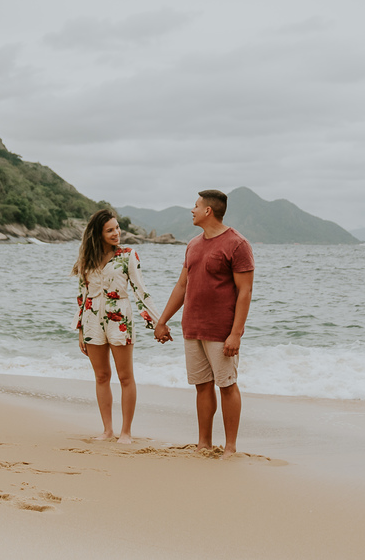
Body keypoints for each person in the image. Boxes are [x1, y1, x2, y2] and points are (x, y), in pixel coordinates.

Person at [154, 190, 253, 458]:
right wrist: (162, 321)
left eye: (195, 206)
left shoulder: (237, 244)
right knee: (201, 385)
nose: (192, 210)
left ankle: (230, 447)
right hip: (192, 327)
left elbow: (245, 292)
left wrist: (236, 334)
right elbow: (181, 285)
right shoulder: (193, 244)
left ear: (208, 211)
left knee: (227, 385)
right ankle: (204, 443)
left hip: (221, 329)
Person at [72, 208, 160, 444]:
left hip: (119, 320)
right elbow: (82, 296)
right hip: (91, 322)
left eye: (117, 228)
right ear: (98, 234)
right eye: (110, 230)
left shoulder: (128, 255)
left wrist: (158, 322)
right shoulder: (86, 260)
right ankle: (107, 430)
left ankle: (126, 432)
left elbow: (141, 291)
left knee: (125, 377)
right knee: (101, 376)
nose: (116, 233)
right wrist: (80, 329)